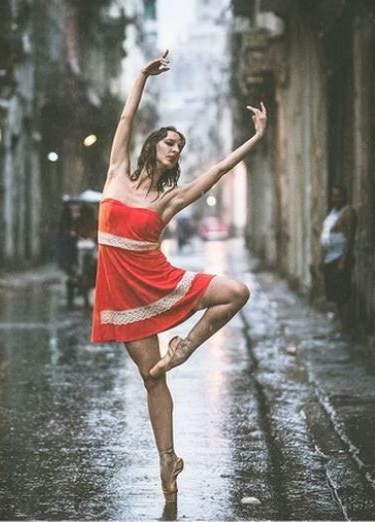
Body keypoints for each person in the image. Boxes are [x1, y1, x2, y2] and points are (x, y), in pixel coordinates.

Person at [91, 50, 267, 503]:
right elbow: (127, 117)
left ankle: (184, 348)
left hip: (158, 280)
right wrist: (141, 77)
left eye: (180, 148)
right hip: (123, 295)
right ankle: (167, 462)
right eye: (169, 142)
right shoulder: (115, 173)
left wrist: (257, 138)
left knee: (237, 291)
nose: (175, 150)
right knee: (152, 378)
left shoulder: (168, 200)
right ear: (153, 145)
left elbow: (218, 172)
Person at [320, 184, 357, 332]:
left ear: (344, 196)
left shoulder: (347, 212)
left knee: (343, 296)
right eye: (333, 195)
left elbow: (349, 238)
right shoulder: (333, 212)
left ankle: (346, 328)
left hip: (340, 259)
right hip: (330, 259)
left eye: (338, 195)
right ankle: (341, 327)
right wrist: (322, 258)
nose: (335, 198)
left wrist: (343, 260)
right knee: (336, 297)